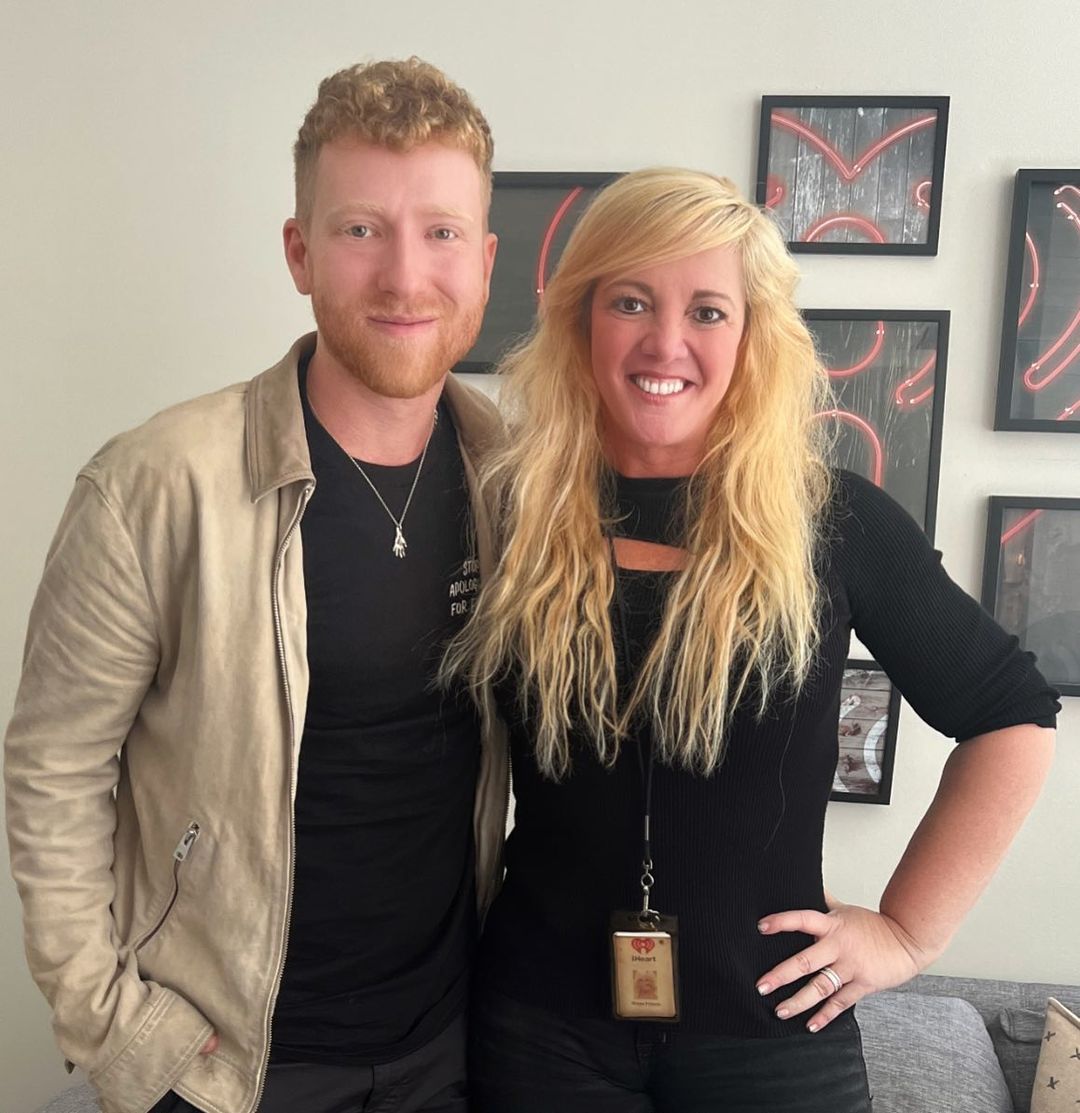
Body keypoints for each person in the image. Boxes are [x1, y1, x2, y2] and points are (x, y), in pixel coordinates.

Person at [443, 168, 1059, 1113]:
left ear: (752, 334)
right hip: (539, 1032)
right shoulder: (505, 517)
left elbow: (1012, 715)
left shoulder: (834, 523)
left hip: (772, 1039)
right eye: (631, 302)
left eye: (707, 311)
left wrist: (906, 932)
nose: (666, 342)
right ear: (581, 320)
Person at [4, 58, 507, 1113]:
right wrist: (114, 1028)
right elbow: (53, 769)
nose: (405, 275)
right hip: (224, 1072)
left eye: (442, 232)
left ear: (486, 261)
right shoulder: (155, 485)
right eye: (362, 228)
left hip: (453, 1051)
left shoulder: (514, 482)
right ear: (299, 252)